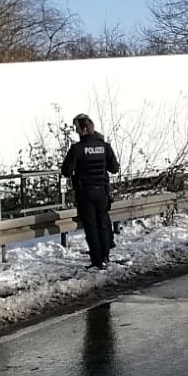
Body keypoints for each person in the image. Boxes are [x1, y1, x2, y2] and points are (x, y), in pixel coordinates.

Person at [61, 114, 120, 268]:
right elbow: (114, 169)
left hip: (85, 192)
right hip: (102, 192)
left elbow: (66, 171)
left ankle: (97, 260)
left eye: (77, 129)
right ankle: (106, 256)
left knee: (91, 227)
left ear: (84, 129)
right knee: (103, 224)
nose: (76, 132)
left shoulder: (77, 149)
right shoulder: (105, 146)